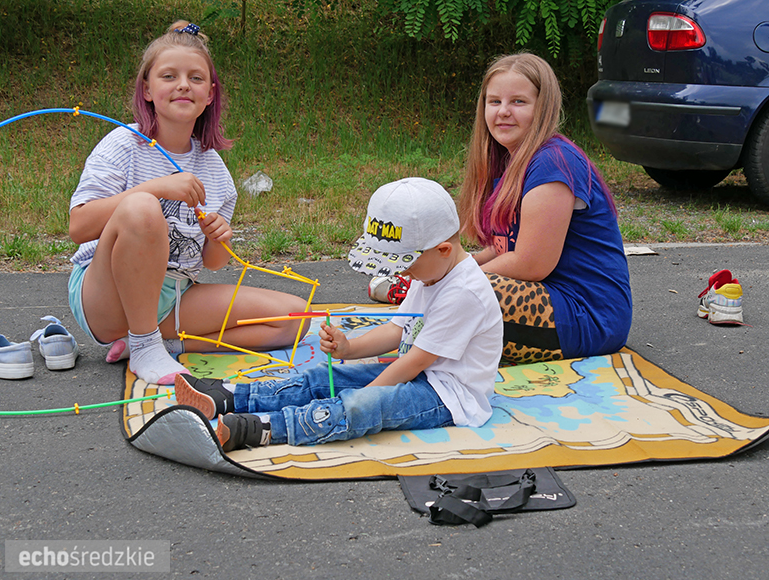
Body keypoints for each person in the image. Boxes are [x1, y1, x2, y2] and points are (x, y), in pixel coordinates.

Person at [174, 178, 503, 449]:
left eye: (404, 265)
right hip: (417, 374)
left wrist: (363, 392)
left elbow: (415, 361)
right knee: (323, 378)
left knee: (359, 406)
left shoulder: (463, 293)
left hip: (447, 397)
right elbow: (397, 330)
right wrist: (351, 348)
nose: (403, 276)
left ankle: (264, 428)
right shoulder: (431, 270)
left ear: (443, 249)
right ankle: (230, 396)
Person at [67, 21, 308, 385]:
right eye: (169, 76)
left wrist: (220, 236)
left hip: (175, 295)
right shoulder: (123, 145)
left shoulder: (214, 169)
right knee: (143, 208)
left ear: (210, 94)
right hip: (106, 297)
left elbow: (212, 263)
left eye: (196, 78)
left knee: (296, 318)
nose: (183, 84)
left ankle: (160, 343)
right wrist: (157, 187)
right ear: (147, 89)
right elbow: (79, 227)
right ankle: (145, 344)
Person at [457, 52, 632, 364]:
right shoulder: (510, 160)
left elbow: (530, 264)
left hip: (586, 316)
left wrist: (453, 278)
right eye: (494, 101)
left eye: (519, 102)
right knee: (441, 289)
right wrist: (448, 266)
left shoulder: (554, 162)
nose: (503, 112)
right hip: (550, 301)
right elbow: (503, 249)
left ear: (543, 107)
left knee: (456, 297)